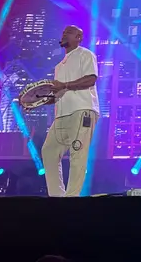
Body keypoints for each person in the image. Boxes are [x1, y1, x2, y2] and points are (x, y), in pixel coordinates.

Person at [41, 25, 99, 197]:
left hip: (82, 110)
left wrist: (64, 85)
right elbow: (59, 92)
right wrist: (38, 100)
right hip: (62, 114)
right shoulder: (59, 65)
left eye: (69, 32)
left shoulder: (85, 54)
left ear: (79, 37)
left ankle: (72, 198)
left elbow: (91, 79)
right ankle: (56, 196)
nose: (64, 34)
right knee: (49, 151)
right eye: (63, 31)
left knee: (77, 153)